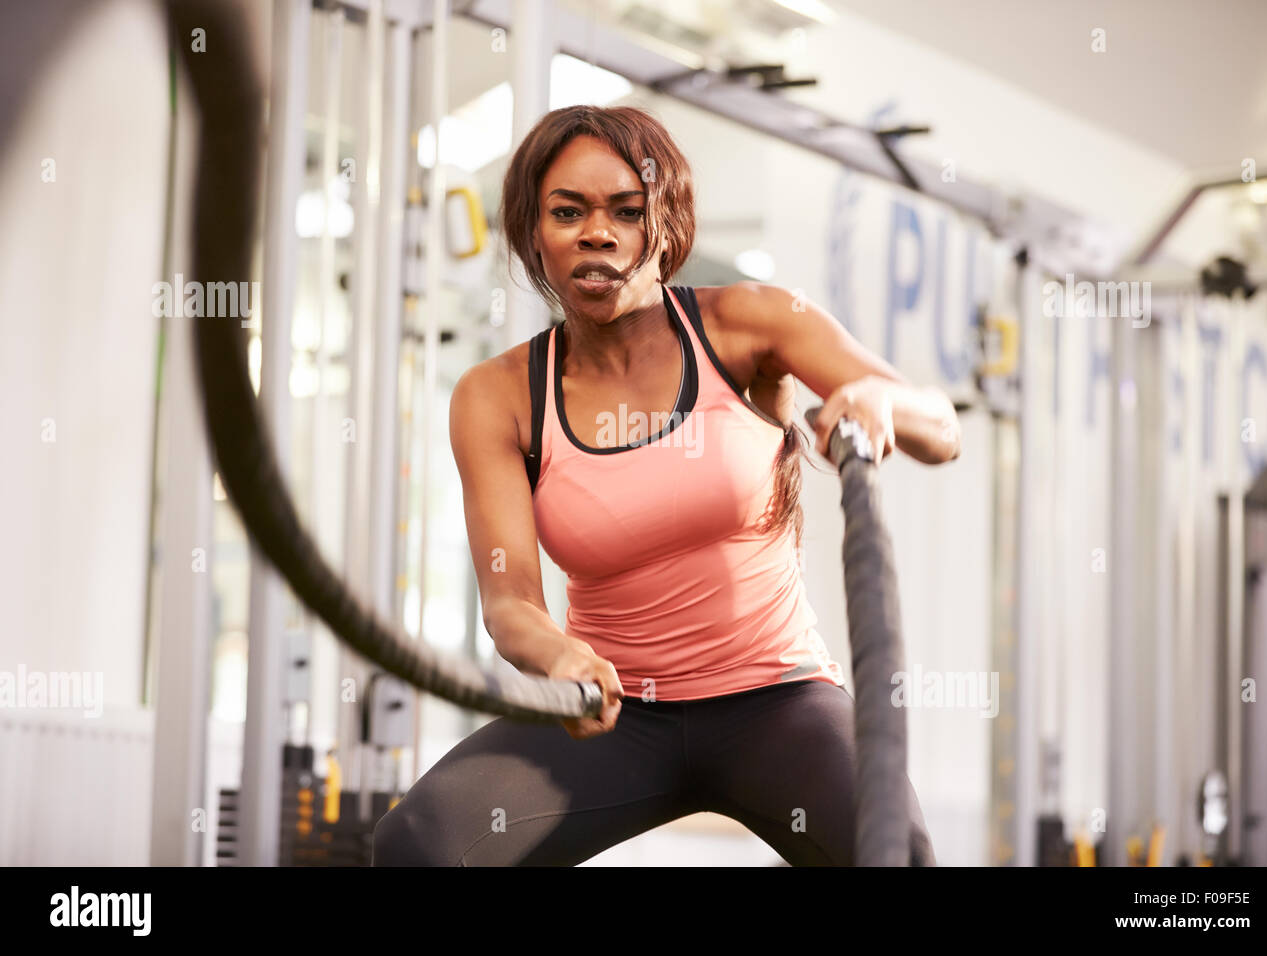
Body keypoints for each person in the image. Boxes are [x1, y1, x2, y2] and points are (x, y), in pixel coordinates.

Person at [371, 105, 959, 866]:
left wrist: (887, 402)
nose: (598, 232)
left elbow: (941, 430)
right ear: (533, 232)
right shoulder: (499, 394)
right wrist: (560, 657)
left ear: (666, 223)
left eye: (626, 209)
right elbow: (508, 599)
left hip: (776, 700)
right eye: (567, 211)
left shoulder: (748, 323)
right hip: (615, 714)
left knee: (896, 853)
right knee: (418, 845)